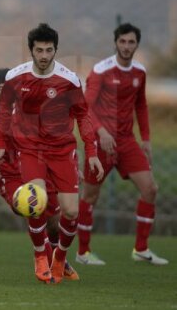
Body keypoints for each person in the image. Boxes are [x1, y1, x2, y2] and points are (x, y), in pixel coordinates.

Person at [0, 23, 104, 284]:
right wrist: (0, 145)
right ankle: (40, 255)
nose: (44, 55)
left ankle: (60, 258)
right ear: (31, 50)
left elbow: (83, 116)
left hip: (62, 150)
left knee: (71, 211)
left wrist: (92, 151)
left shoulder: (68, 80)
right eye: (39, 50)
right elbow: (5, 110)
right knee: (36, 202)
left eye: (49, 50)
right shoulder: (16, 77)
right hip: (30, 148)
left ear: (56, 50)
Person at [0, 68, 79, 283]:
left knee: (55, 220)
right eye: (1, 89)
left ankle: (57, 259)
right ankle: (43, 261)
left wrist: (70, 167)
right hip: (11, 178)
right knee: (35, 207)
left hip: (40, 169)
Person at [76, 23, 168, 266]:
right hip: (99, 142)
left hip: (127, 141)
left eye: (131, 42)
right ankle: (83, 253)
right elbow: (86, 107)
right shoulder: (100, 71)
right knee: (90, 195)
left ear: (137, 44)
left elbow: (141, 106)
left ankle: (141, 249)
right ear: (115, 43)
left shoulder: (139, 72)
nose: (126, 46)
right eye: (122, 42)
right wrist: (102, 132)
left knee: (150, 189)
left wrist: (146, 138)